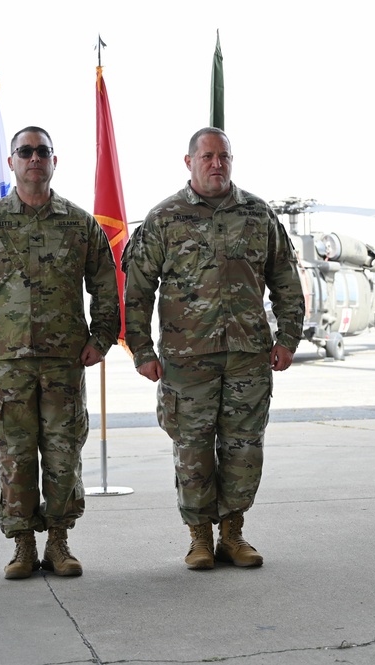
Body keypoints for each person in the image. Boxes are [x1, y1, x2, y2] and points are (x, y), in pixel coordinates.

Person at [122, 127, 305, 570]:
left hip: (248, 356)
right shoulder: (164, 218)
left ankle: (233, 534)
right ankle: (200, 537)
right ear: (189, 162)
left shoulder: (258, 214)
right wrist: (142, 350)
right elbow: (137, 291)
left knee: (244, 448)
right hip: (187, 360)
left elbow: (286, 281)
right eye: (207, 156)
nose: (216, 164)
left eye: (223, 156)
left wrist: (287, 338)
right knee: (194, 449)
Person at [0, 126, 120, 580]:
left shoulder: (79, 224)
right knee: (15, 456)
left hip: (65, 362)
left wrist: (100, 338)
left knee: (64, 454)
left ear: (54, 160)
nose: (34, 158)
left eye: (42, 151)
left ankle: (59, 543)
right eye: (25, 151)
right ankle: (23, 545)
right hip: (6, 365)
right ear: (12, 163)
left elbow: (105, 284)